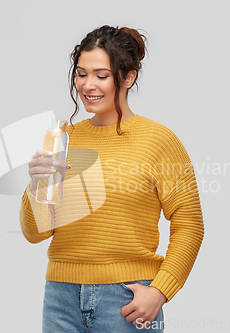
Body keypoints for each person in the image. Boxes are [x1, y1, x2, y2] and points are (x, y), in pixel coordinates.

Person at [20, 25, 204, 332]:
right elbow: (35, 233)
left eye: (101, 75)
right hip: (60, 296)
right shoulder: (62, 139)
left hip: (125, 299)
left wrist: (160, 291)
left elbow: (190, 224)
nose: (88, 85)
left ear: (128, 77)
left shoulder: (158, 140)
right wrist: (35, 185)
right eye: (81, 73)